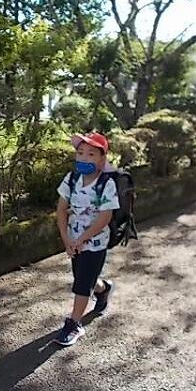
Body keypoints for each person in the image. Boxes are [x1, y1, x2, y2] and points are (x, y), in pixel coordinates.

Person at [54, 132, 119, 346]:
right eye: (80, 153)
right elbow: (61, 210)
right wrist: (66, 240)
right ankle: (103, 288)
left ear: (102, 159)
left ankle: (74, 323)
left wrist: (82, 239)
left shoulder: (106, 184)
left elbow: (104, 217)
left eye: (91, 154)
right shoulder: (71, 179)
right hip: (73, 241)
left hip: (95, 243)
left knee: (82, 285)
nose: (84, 158)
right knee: (83, 278)